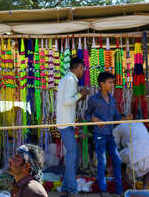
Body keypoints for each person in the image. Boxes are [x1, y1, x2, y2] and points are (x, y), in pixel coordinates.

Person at [85, 71, 126, 197]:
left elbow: (116, 117)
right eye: (110, 82)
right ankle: (103, 190)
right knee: (102, 161)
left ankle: (119, 190)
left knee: (117, 160)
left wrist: (125, 117)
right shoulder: (93, 99)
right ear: (102, 84)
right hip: (99, 134)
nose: (112, 85)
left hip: (110, 134)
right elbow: (86, 115)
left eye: (113, 82)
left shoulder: (113, 99)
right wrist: (94, 119)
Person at [56, 56, 88, 197]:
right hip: (65, 123)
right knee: (72, 155)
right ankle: (72, 189)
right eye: (82, 69)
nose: (83, 72)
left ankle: (65, 188)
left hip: (66, 122)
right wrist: (81, 94)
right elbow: (67, 101)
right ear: (79, 67)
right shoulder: (70, 80)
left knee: (72, 155)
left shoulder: (68, 79)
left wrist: (79, 96)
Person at [113, 122, 149, 189]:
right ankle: (144, 187)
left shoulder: (117, 128)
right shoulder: (139, 123)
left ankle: (132, 187)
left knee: (120, 165)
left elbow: (115, 145)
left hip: (136, 151)